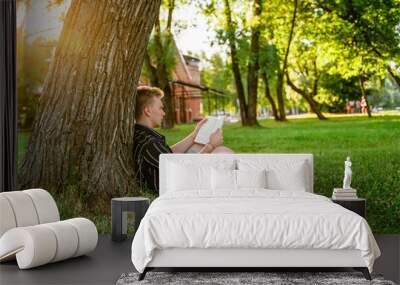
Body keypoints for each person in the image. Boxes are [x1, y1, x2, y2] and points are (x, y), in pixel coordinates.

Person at [133, 86, 234, 194]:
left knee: (198, 145)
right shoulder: (149, 143)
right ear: (147, 111)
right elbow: (184, 172)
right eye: (160, 108)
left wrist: (194, 135)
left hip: (174, 178)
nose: (164, 113)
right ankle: (230, 188)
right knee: (222, 152)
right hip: (176, 187)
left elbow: (167, 155)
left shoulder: (142, 135)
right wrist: (210, 146)